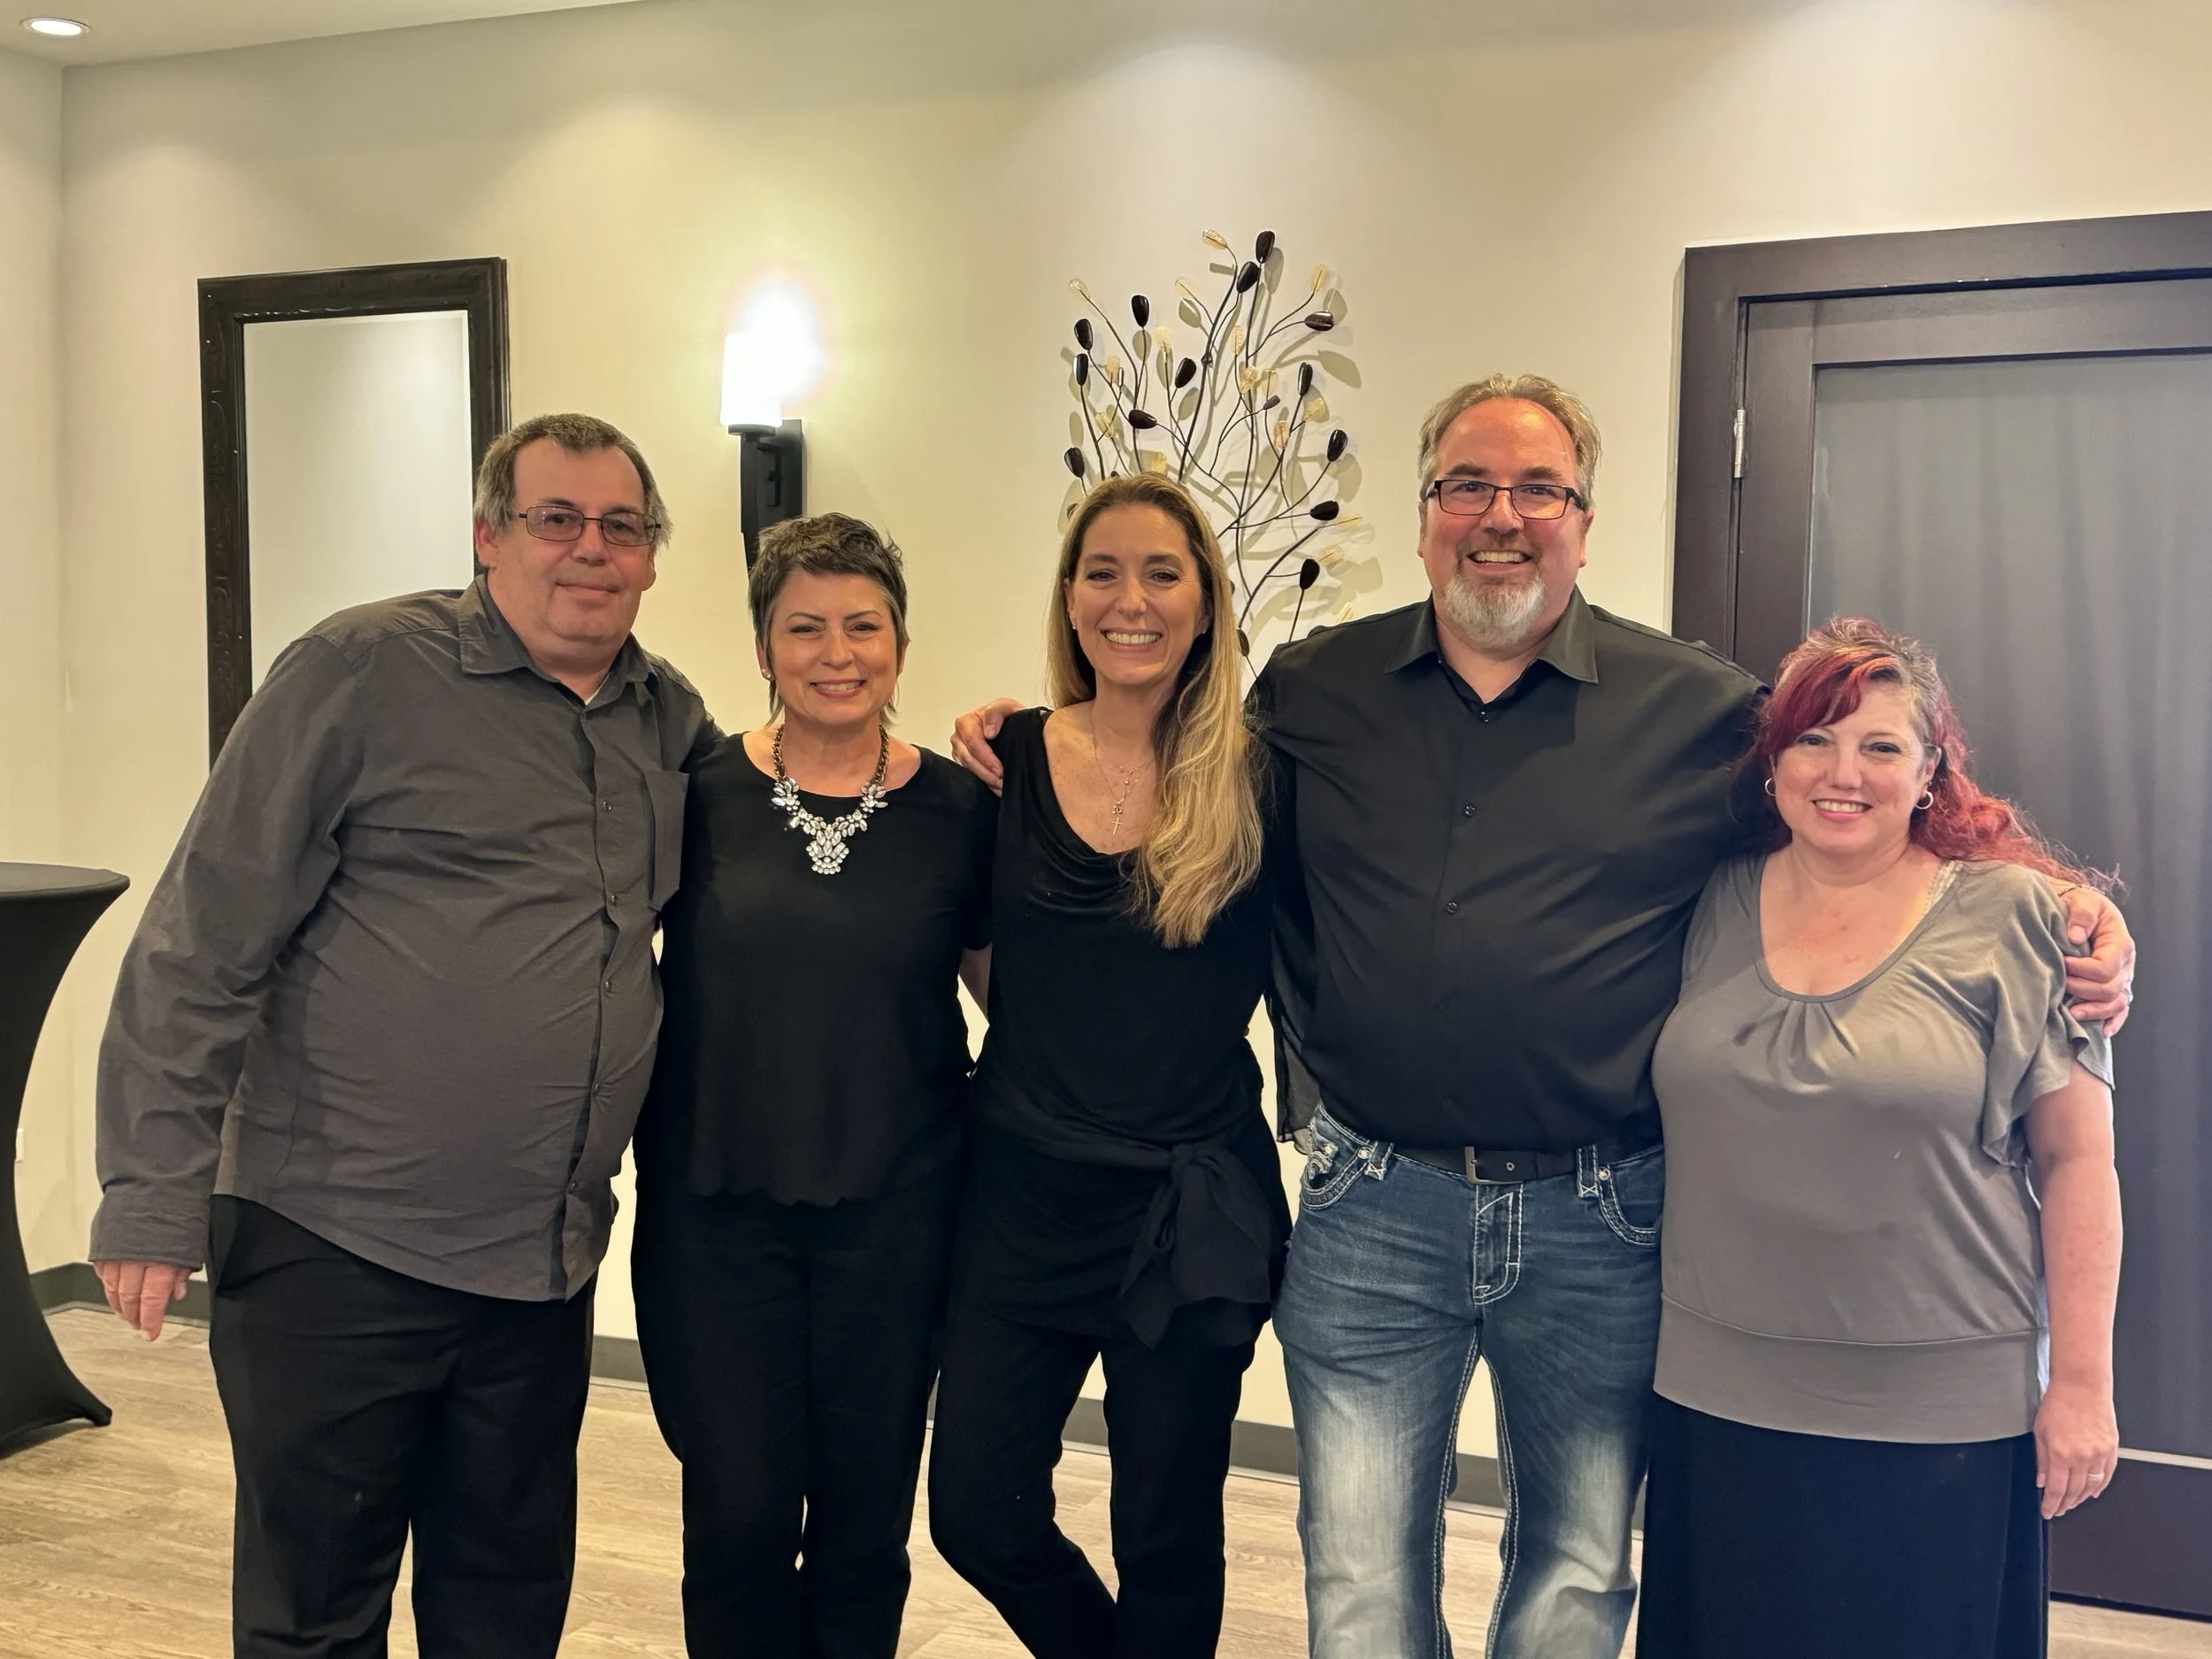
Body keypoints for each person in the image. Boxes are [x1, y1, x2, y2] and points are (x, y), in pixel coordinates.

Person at [954, 375, 2136, 1659]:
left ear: (1583, 518)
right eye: (1467, 485)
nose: (1500, 516)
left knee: (1575, 1578)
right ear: (1425, 515)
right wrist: (1024, 735)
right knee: (1357, 1583)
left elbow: (1850, 789)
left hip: (1601, 1216)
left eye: (1538, 490)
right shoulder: (1311, 690)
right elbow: (1159, 768)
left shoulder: (1696, 710)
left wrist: (2053, 896)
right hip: (1372, 1205)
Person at [90, 412, 715, 1659]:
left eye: (622, 525)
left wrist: (984, 754)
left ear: (652, 555)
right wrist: (149, 1194)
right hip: (338, 1248)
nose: (590, 548)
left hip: (540, 1269)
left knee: (505, 1611)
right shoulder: (359, 670)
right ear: (489, 536)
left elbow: (795, 814)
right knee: (317, 1618)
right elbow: (201, 938)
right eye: (555, 518)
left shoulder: (665, 717)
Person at [1636, 618, 2120, 1659]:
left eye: (1881, 745)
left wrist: (2082, 1385)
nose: (1841, 773)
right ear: (1773, 760)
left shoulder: (2018, 917)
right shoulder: (1705, 898)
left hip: (1941, 1422)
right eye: (1813, 739)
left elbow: (2079, 1160)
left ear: (1930, 768)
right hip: (1716, 1406)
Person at [925, 472, 1291, 1659]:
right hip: (1023, 1195)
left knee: (1166, 1537)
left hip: (1190, 1208)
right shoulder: (1004, 761)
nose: (1130, 600)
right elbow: (977, 946)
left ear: (1205, 602)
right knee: (977, 1510)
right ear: (1070, 597)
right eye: (1102, 572)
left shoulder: (1263, 777)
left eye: (1161, 573)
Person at [631, 513, 994, 1659]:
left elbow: (1017, 1003)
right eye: (805, 628)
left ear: (901, 643)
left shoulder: (963, 811)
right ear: (762, 648)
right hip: (715, 1219)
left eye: (862, 626)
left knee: (862, 1531)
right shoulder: (694, 796)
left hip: (896, 1222)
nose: (837, 653)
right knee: (734, 1522)